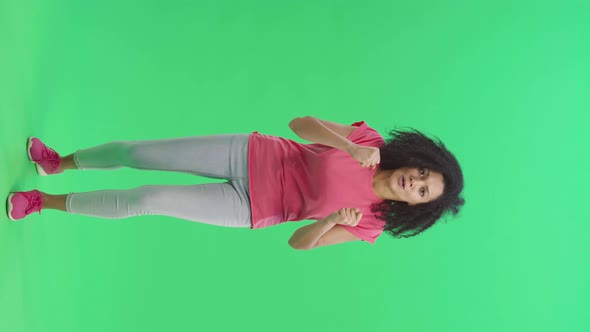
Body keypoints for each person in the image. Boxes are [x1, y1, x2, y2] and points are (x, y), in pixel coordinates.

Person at [6, 116, 464, 249]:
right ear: (419, 159)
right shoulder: (370, 142)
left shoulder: (371, 225)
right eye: (423, 173)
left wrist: (326, 222)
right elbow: (300, 124)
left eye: (422, 191)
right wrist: (347, 147)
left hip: (248, 206)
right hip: (250, 152)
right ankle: (58, 162)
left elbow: (300, 244)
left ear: (417, 206)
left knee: (147, 198)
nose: (414, 182)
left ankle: (42, 201)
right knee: (137, 152)